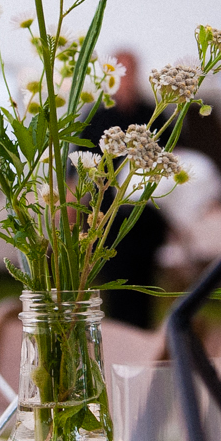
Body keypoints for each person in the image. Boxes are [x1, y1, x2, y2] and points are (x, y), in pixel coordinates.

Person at [86, 49, 168, 329]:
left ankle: (144, 335)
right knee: (113, 277)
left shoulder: (154, 113)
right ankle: (118, 333)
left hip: (147, 213)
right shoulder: (96, 116)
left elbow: (173, 159)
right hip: (106, 213)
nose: (125, 77)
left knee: (144, 281)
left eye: (129, 70)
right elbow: (79, 168)